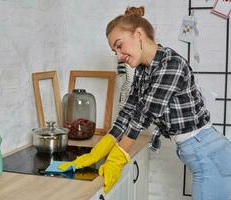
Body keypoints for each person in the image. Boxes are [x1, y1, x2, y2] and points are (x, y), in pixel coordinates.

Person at [58, 6, 231, 199]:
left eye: (119, 45)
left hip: (209, 153)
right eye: (114, 51)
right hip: (199, 152)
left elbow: (144, 115)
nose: (119, 56)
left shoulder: (171, 64)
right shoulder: (143, 69)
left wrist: (117, 157)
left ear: (138, 34)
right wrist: (99, 150)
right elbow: (129, 110)